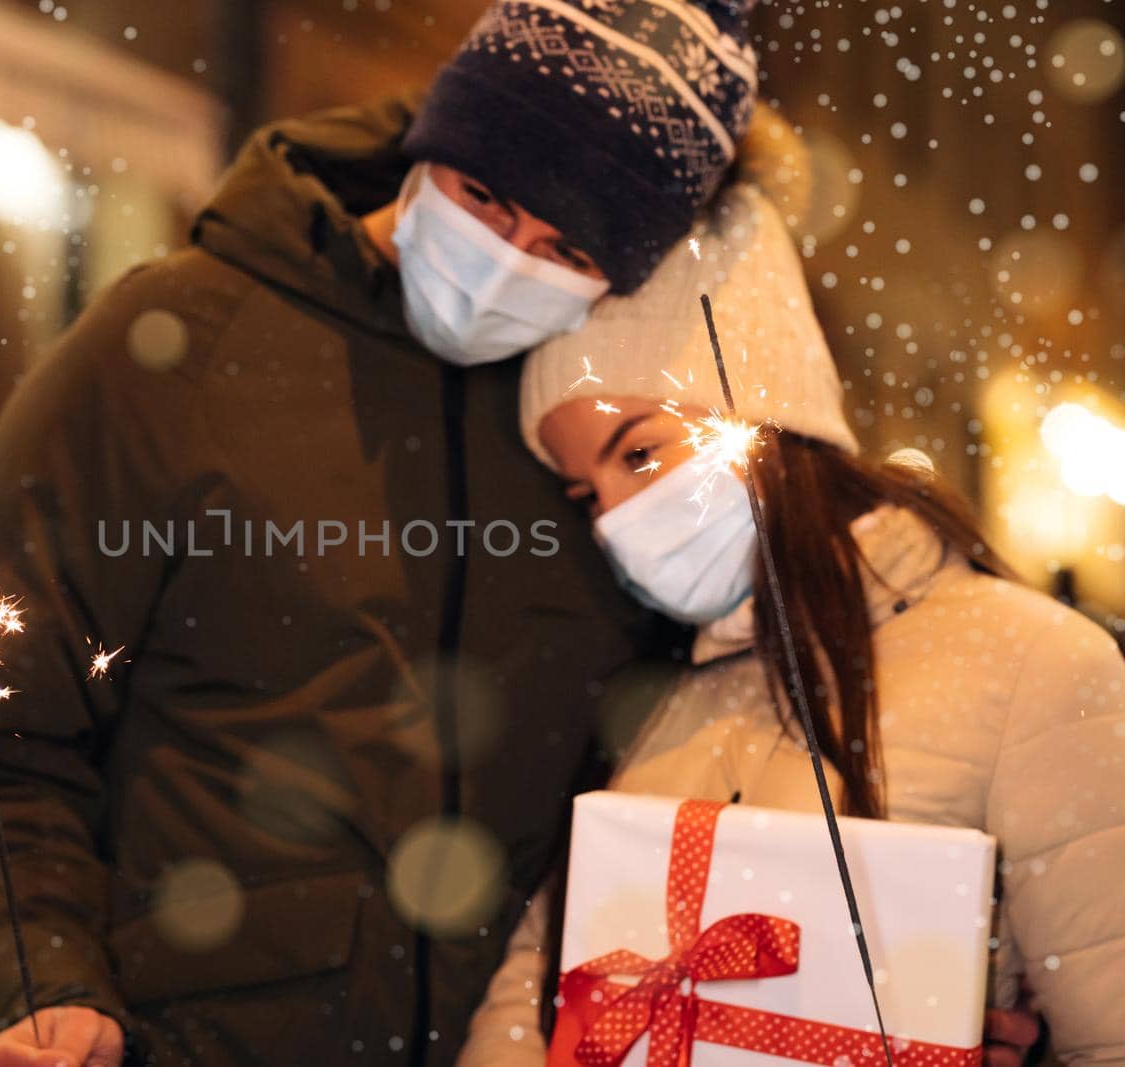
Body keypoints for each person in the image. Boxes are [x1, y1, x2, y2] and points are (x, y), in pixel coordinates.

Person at [0, 1, 771, 1065]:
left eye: (565, 247)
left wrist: (922, 996)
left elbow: (737, 740)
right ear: (431, 146)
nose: (504, 259)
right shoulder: (168, 349)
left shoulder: (613, 427)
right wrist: (36, 978)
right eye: (482, 196)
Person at [455, 181, 1125, 1066]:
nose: (616, 517)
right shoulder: (653, 691)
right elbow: (532, 991)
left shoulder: (1036, 663)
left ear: (765, 414)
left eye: (643, 451)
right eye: (586, 495)